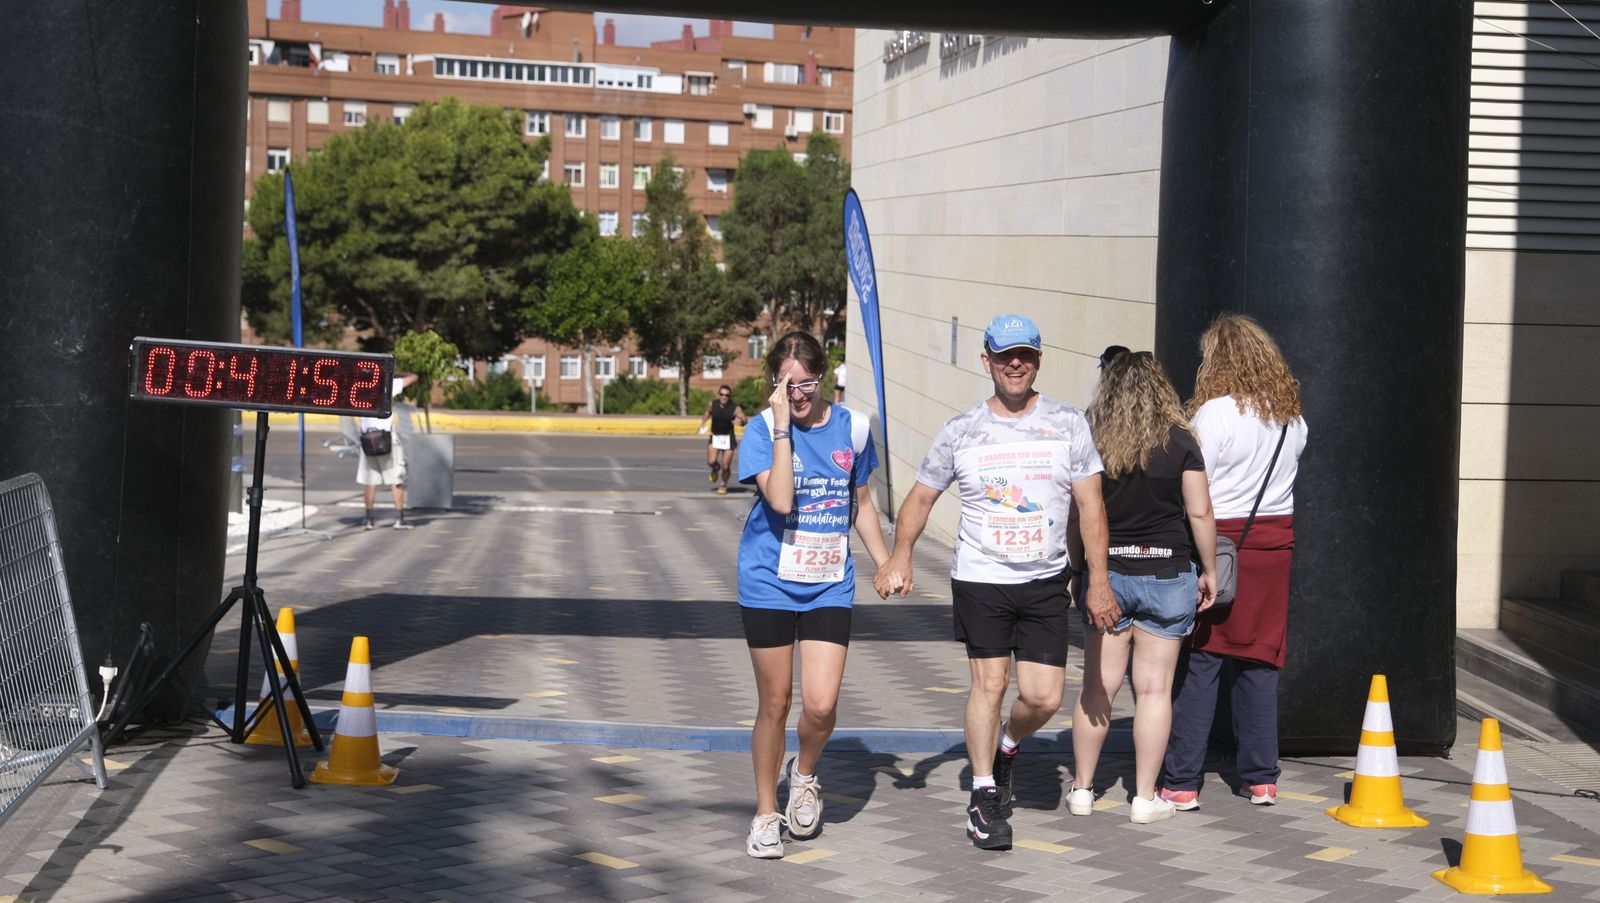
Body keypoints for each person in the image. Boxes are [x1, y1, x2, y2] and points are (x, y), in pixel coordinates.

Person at [874, 314, 1116, 851]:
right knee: (990, 684)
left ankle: (1009, 743)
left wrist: (1097, 579)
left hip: (1045, 579)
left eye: (1025, 355)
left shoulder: (1069, 423)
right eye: (1005, 354)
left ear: (1038, 360)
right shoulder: (961, 430)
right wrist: (900, 556)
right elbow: (920, 497)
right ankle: (983, 795)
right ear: (986, 359)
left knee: (1044, 696)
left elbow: (1091, 506)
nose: (1015, 363)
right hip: (981, 578)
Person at [737, 331, 892, 860]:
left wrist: (886, 560)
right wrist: (782, 427)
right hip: (769, 582)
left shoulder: (854, 427)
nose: (799, 394)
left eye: (806, 383)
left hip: (829, 580)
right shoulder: (761, 430)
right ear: (774, 384)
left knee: (822, 706)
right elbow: (780, 500)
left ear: (823, 378)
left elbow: (861, 502)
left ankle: (803, 773)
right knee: (775, 704)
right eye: (787, 384)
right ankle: (764, 812)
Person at [1160, 314, 1308, 810]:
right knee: (1261, 661)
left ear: (1217, 361)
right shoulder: (1292, 416)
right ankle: (1262, 778)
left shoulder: (1215, 414)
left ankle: (1181, 782)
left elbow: (1195, 486)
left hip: (1219, 546)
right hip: (1274, 546)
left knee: (1201, 662)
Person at [1065, 351, 1217, 825]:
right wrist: (1209, 569)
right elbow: (1199, 512)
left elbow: (1078, 515)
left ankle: (1084, 790)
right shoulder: (1180, 440)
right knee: (1154, 692)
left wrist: (1079, 570)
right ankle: (1145, 798)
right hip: (1168, 575)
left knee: (1098, 688)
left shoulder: (1092, 439)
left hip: (1106, 577)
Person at [356, 373, 418, 530]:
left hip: (368, 439)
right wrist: (397, 373)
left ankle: (369, 519)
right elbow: (414, 378)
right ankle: (399, 519)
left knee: (370, 481)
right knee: (396, 480)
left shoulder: (358, 390)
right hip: (387, 439)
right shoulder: (387, 387)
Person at [698, 384, 748, 495]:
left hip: (728, 438)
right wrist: (703, 423)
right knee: (711, 461)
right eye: (722, 394)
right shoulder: (713, 404)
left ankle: (723, 485)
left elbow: (745, 420)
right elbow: (707, 413)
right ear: (719, 395)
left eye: (727, 395)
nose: (724, 397)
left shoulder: (735, 407)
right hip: (715, 436)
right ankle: (715, 469)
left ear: (729, 396)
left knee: (726, 465)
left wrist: (740, 422)